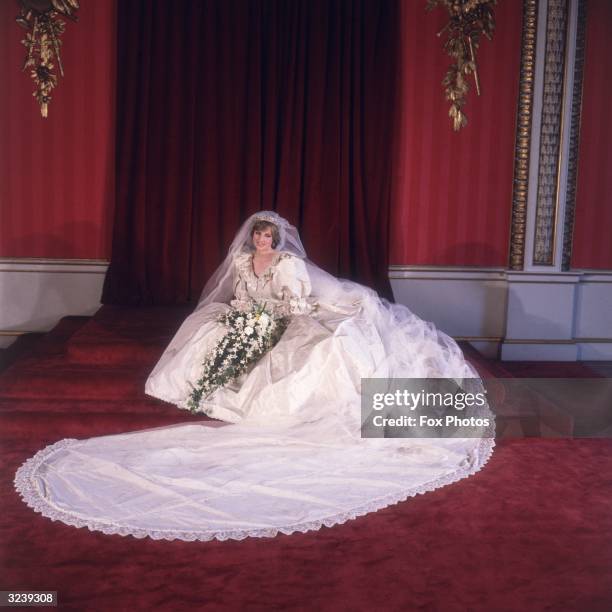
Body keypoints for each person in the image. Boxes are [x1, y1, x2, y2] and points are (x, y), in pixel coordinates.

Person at [14, 211, 494, 542]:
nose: (262, 242)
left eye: (268, 237)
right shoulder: (244, 263)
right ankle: (210, 387)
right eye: (257, 237)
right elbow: (242, 293)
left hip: (288, 314)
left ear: (276, 240)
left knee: (315, 347)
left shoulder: (290, 264)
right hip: (256, 317)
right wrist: (244, 314)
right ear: (252, 240)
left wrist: (272, 317)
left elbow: (297, 300)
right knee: (209, 327)